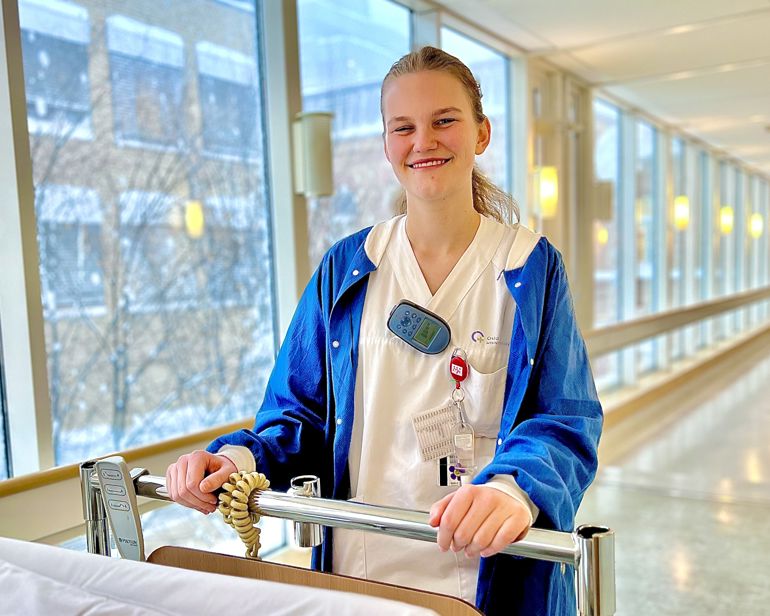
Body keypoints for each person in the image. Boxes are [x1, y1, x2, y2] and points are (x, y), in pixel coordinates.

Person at [166, 46, 602, 615]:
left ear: (481, 133)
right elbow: (298, 416)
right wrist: (239, 464)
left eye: (445, 120)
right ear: (387, 144)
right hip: (361, 573)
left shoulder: (529, 268)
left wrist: (512, 489)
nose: (424, 141)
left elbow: (566, 420)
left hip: (488, 580)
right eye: (404, 127)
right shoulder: (348, 268)